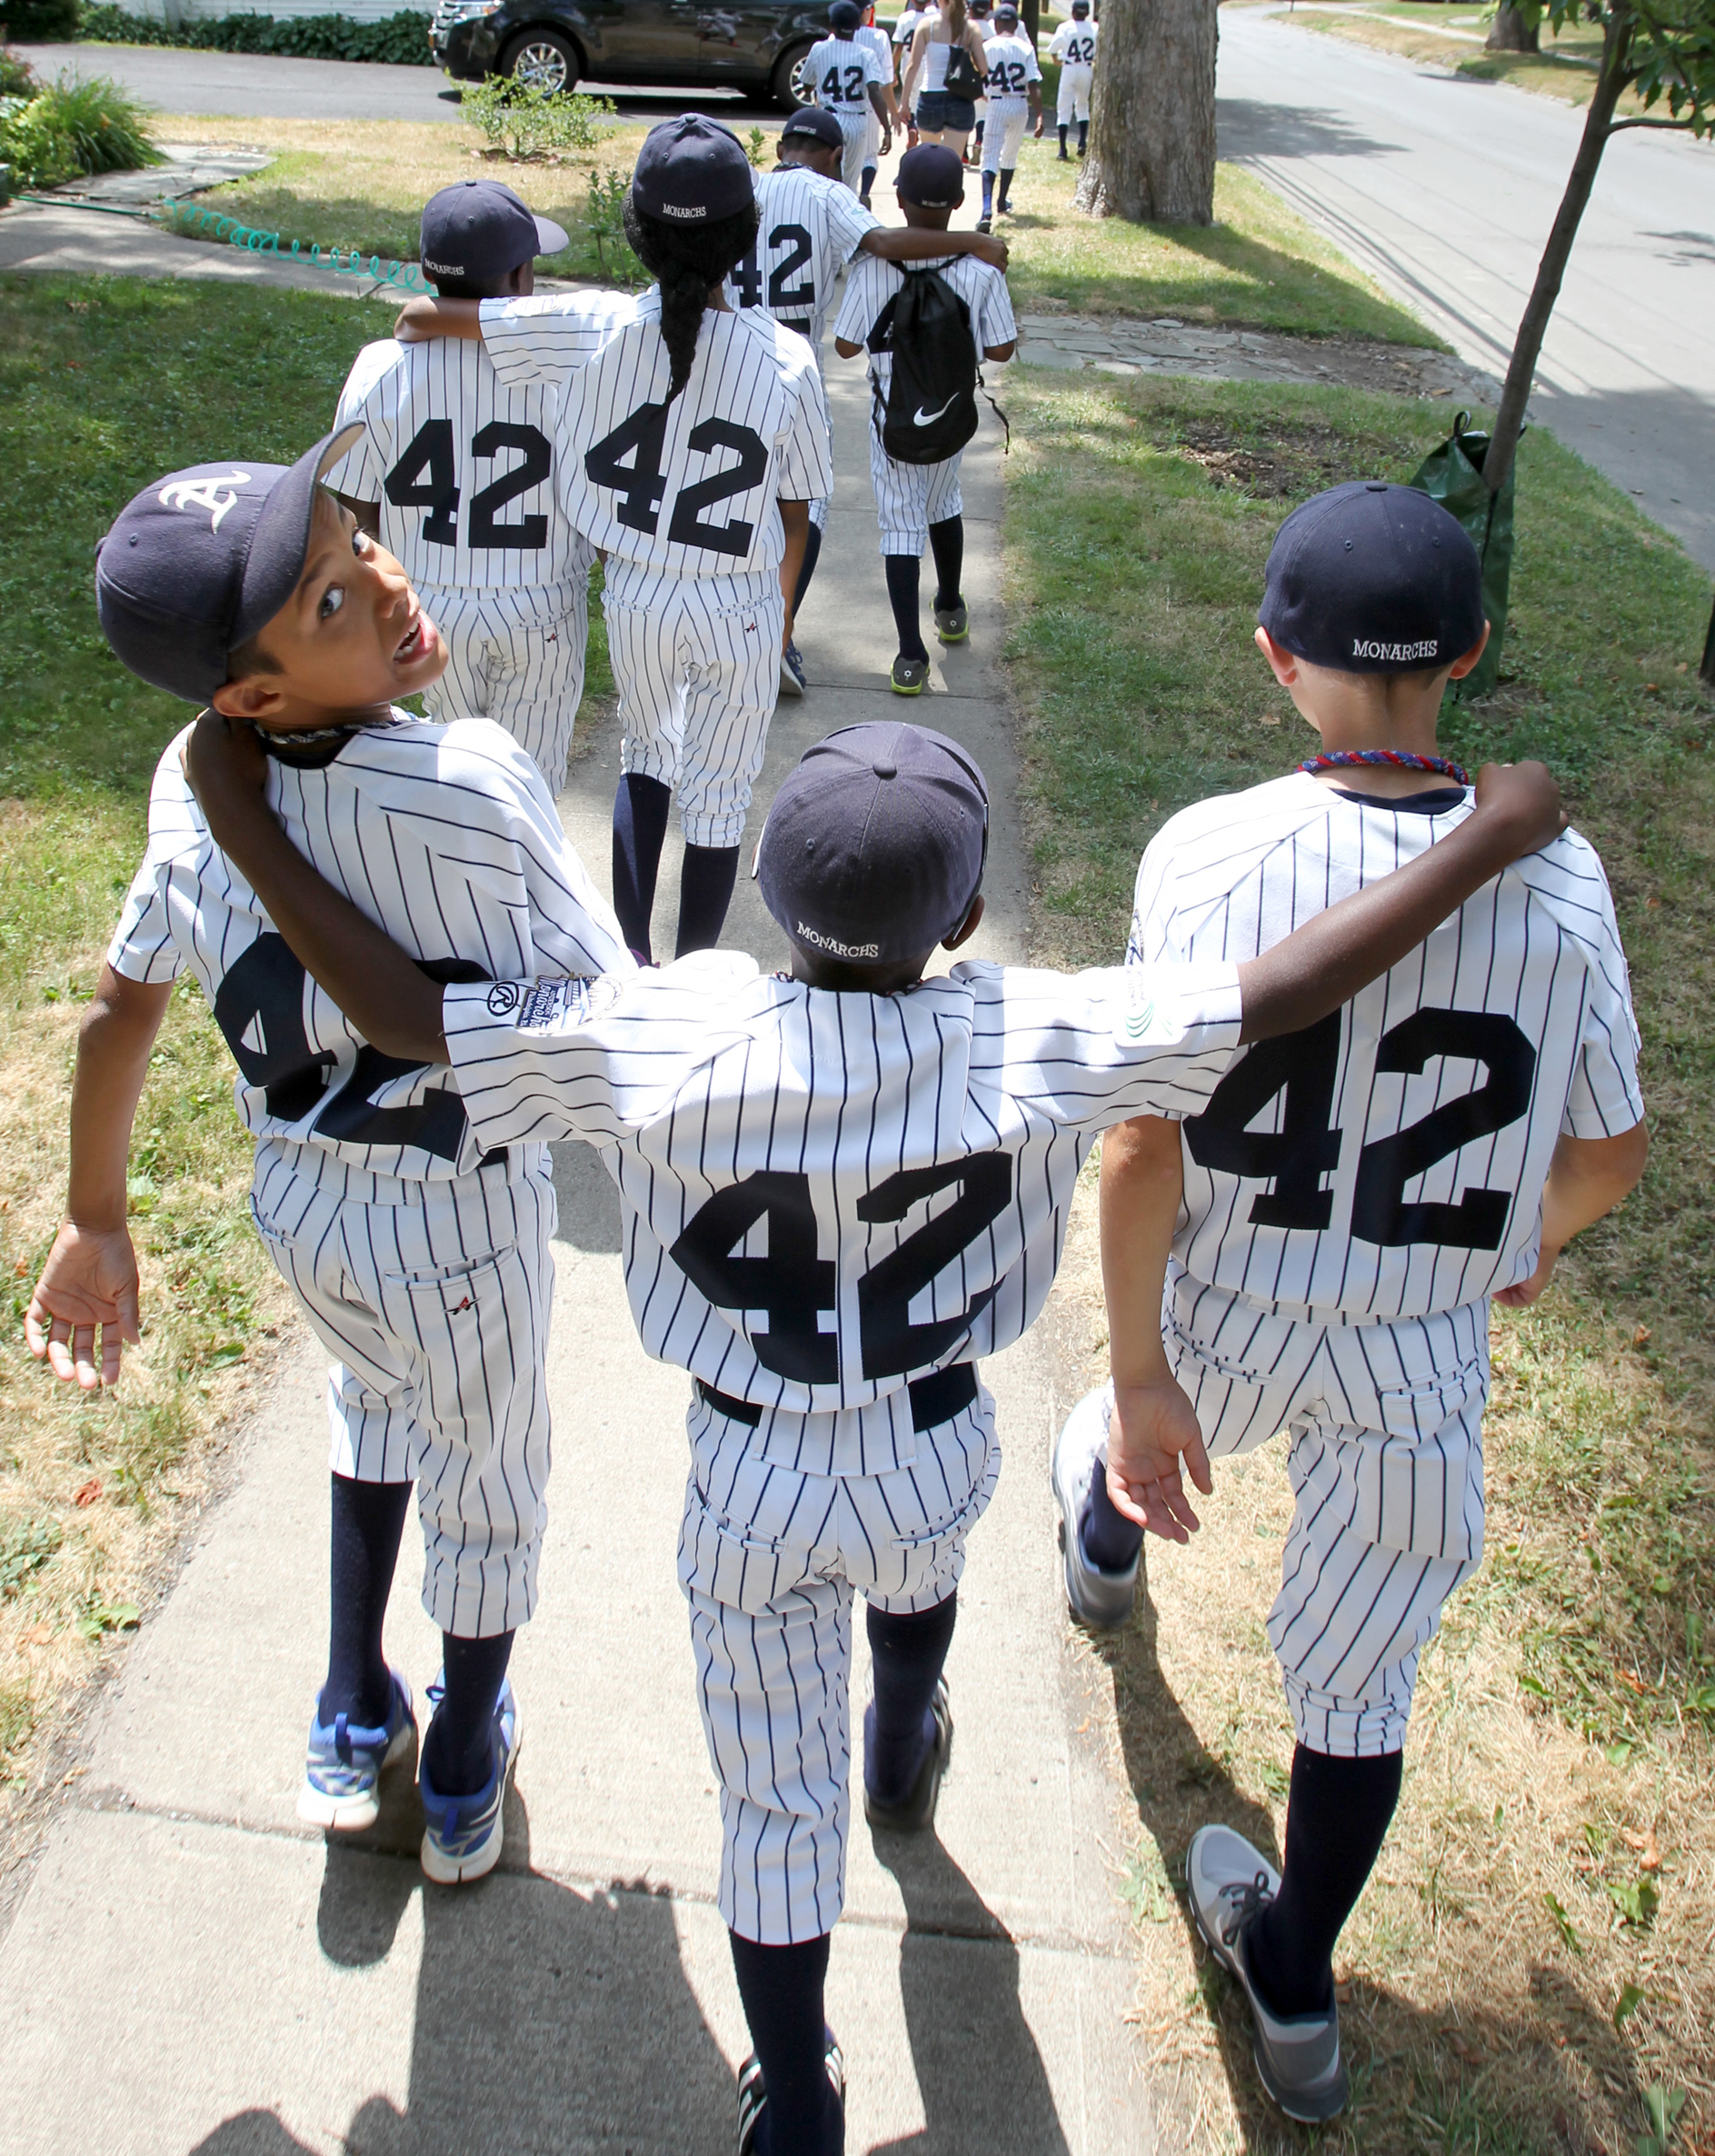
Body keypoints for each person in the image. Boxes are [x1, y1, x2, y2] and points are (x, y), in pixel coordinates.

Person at [174, 708, 1566, 2156]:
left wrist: (248, 819)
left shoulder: (658, 1028)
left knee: (773, 1807)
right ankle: (902, 1734)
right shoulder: (1033, 1029)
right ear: (965, 913)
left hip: (746, 1463)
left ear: (771, 893)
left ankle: (793, 2095)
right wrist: (1485, 835)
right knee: (915, 1585)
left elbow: (405, 1018)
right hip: (928, 1436)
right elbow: (1277, 992)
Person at [1050, 483, 1648, 2127]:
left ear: (1274, 662)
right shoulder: (1564, 880)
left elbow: (1139, 1151)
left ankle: (1102, 1547)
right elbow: (1610, 1146)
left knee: (1132, 1439)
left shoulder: (1209, 851)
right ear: (1466, 654)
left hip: (1232, 1289)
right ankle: (1296, 1985)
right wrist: (1525, 1242)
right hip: (1414, 1336)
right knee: (1358, 1678)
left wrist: (1142, 1359)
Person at [27, 436, 627, 1884]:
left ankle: (351, 1704)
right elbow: (602, 1015)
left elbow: (120, 1011)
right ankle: (467, 1753)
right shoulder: (469, 781)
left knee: (370, 1407)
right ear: (250, 692)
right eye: (325, 601)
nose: (381, 580)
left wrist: (94, 1218)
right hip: (462, 1217)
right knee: (486, 1479)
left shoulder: (190, 794)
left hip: (305, 1205)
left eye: (357, 536)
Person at [389, 115, 832, 968]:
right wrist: (778, 624)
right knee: (718, 792)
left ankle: (632, 956)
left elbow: (424, 316)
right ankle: (695, 968)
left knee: (646, 756)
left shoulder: (586, 323)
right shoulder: (785, 358)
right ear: (744, 239)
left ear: (637, 235)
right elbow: (795, 516)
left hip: (633, 591)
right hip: (736, 599)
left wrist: (425, 315)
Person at [730, 108, 1010, 699]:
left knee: (763, 506)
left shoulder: (749, 190)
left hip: (744, 362)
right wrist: (977, 243)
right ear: (835, 156)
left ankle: (895, 652)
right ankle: (791, 633)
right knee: (846, 504)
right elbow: (998, 345)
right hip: (846, 382)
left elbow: (849, 341)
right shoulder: (830, 197)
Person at [324, 182, 591, 796]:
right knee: (529, 783)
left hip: (428, 605)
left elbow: (352, 512)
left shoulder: (377, 367)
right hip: (539, 601)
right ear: (521, 278)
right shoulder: (569, 371)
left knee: (442, 778)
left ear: (427, 272)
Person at [833, 143, 1015, 695]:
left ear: (900, 200)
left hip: (893, 423)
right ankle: (951, 605)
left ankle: (911, 654)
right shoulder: (982, 271)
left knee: (900, 524)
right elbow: (1002, 350)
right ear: (960, 202)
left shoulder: (872, 270)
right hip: (951, 414)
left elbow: (843, 346)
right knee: (945, 500)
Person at [798, 0, 893, 194]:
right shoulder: (866, 54)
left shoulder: (819, 49)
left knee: (825, 179)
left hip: (828, 119)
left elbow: (807, 83)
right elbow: (875, 91)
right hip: (857, 122)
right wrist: (887, 128)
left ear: (831, 25)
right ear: (858, 26)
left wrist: (812, 92)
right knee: (849, 184)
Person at [901, 0, 989, 155]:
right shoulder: (971, 29)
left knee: (931, 160)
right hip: (960, 99)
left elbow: (912, 65)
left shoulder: (927, 26)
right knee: (953, 164)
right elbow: (983, 68)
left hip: (930, 97)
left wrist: (904, 103)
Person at [977, 2, 1042, 224]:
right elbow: (1033, 83)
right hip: (1019, 104)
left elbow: (978, 76)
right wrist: (1040, 114)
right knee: (1010, 153)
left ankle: (986, 207)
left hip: (996, 102)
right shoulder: (1026, 48)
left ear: (995, 24)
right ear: (1016, 24)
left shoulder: (987, 46)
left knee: (990, 155)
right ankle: (1002, 201)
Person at [843, 0, 897, 208]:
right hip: (868, 107)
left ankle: (846, 196)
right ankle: (864, 192)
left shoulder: (836, 35)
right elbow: (885, 82)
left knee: (844, 158)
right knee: (869, 156)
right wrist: (892, 113)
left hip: (841, 104)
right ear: (864, 12)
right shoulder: (878, 36)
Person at [1049, 0, 1097, 159]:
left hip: (1069, 67)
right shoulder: (1094, 28)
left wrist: (1056, 60)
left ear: (1073, 11)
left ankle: (1062, 149)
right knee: (1083, 105)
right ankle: (1082, 142)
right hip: (1086, 68)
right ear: (1087, 13)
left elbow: (1054, 49)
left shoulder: (1065, 27)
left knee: (1064, 107)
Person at [962, 0, 993, 168]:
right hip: (985, 76)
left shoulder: (967, 25)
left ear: (971, 9)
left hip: (968, 77)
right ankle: (979, 142)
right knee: (981, 116)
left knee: (966, 115)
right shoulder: (991, 28)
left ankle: (964, 153)